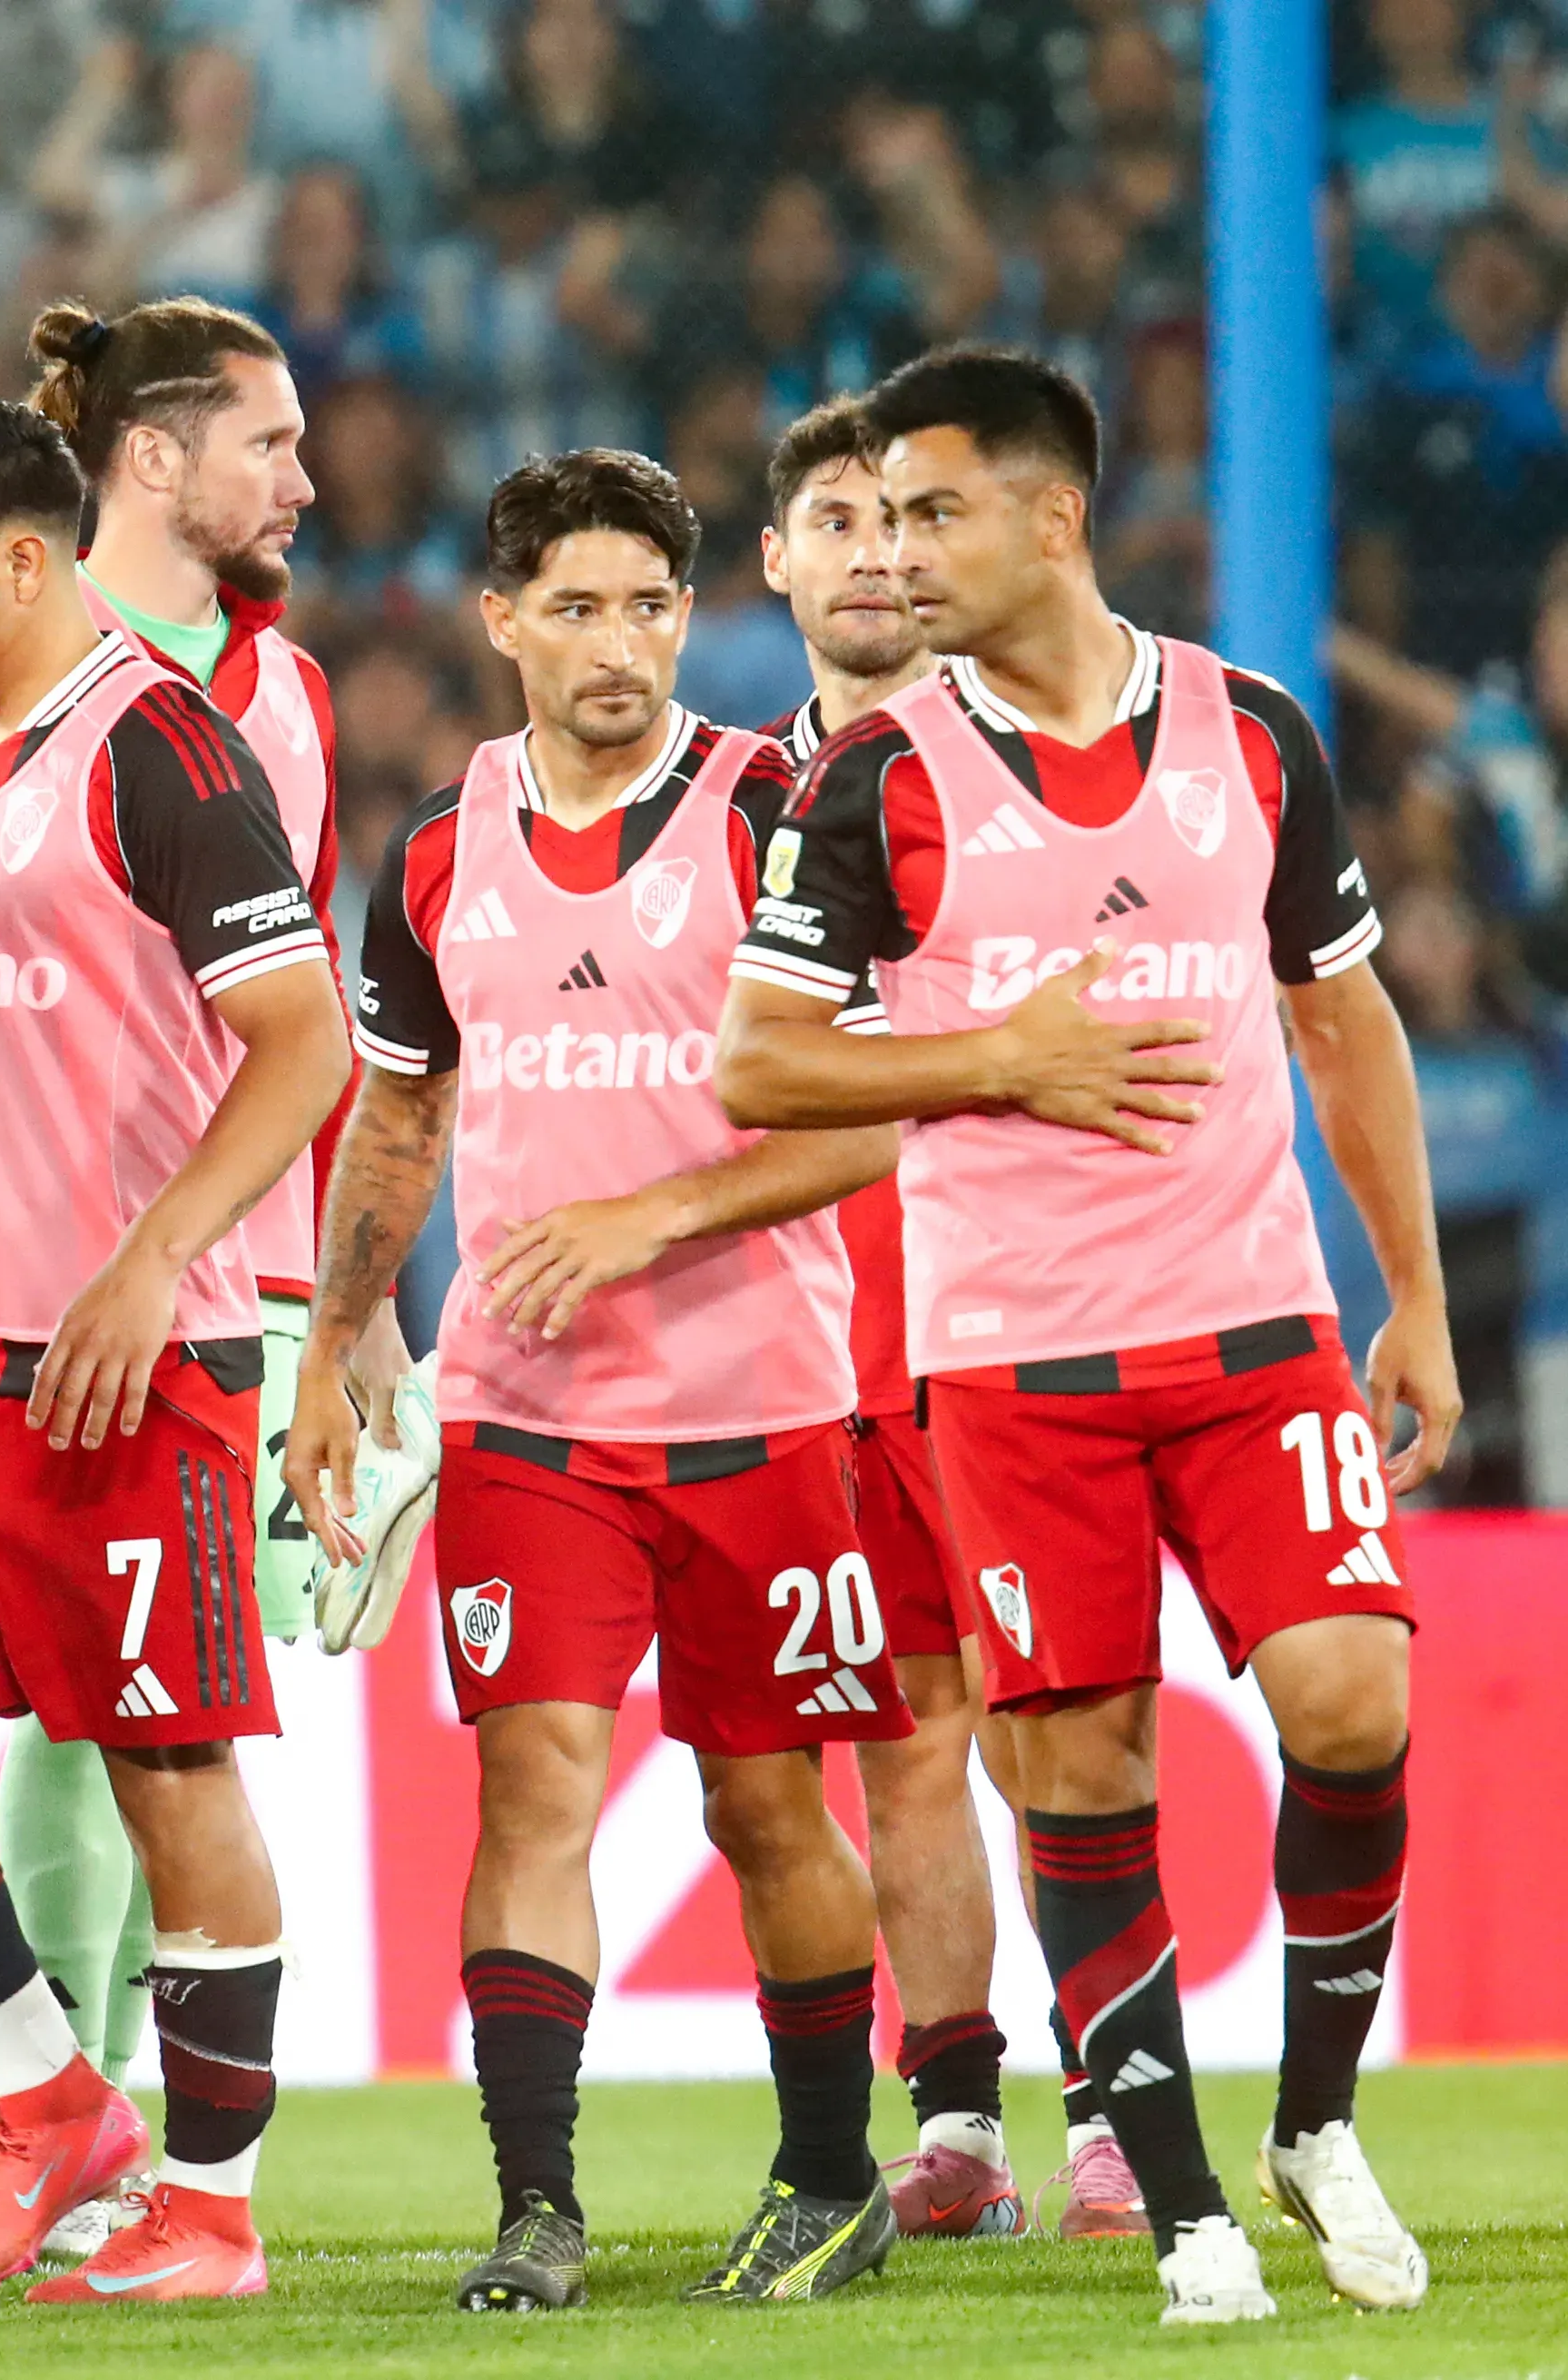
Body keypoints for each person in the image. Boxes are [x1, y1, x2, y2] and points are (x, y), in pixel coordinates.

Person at [716, 346, 1459, 2326]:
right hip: (1015, 1363)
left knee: (1353, 1703)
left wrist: (1413, 1295)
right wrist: (998, 1055)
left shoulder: (1251, 730)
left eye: (933, 511)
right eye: (874, 516)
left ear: (1053, 517)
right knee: (1080, 1764)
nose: (896, 552)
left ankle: (1314, 2121)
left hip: (1254, 1328)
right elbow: (760, 1060)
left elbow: (1342, 1014)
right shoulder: (872, 778)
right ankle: (1187, 2200)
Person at [288, 446, 905, 2314]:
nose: (617, 644)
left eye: (648, 606)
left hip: (758, 1403)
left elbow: (873, 1115)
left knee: (767, 1810)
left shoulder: (775, 815)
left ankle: (832, 2175)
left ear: (688, 614)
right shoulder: (438, 848)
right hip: (526, 1415)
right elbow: (398, 1120)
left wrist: (652, 1216)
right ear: (502, 622)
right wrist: (332, 1350)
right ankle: (536, 2208)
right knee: (533, 1789)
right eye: (574, 608)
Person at [0, 398, 347, 2307]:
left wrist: (155, 1261)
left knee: (164, 1772)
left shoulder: (159, 748)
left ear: (23, 561)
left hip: (131, 1364)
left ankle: (213, 2210)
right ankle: (49, 2096)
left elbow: (307, 1040)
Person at [0, 295, 344, 2260]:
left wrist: (350, 1312)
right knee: (72, 1709)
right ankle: (75, 2111)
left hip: (234, 1284)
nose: (306, 481)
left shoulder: (288, 691)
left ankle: (130, 2146)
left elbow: (311, 1021)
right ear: (155, 455)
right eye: (271, 443)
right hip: (39, 1283)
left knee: (155, 1718)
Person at [758, 393, 1079, 2244]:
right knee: (902, 1734)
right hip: (821, 1339)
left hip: (1017, 1314)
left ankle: (1116, 2106)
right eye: (836, 519)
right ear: (778, 562)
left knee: (1063, 1721)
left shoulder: (1036, 766)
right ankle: (956, 2121)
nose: (877, 552)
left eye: (904, 517)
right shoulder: (735, 805)